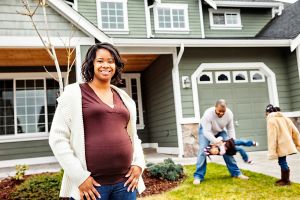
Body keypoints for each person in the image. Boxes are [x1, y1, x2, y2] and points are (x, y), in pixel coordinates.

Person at [49, 42, 146, 200]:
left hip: (126, 184)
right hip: (92, 186)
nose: (106, 65)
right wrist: (80, 177)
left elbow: (133, 136)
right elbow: (57, 138)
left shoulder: (124, 97)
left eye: (111, 61)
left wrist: (139, 164)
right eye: (100, 61)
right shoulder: (74, 93)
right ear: (91, 64)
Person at [193, 99, 249, 185]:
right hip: (205, 131)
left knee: (228, 149)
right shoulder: (208, 114)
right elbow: (207, 132)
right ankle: (198, 176)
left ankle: (236, 173)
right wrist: (216, 142)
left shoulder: (229, 114)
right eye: (219, 111)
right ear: (215, 107)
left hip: (219, 130)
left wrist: (231, 142)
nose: (221, 113)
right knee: (202, 151)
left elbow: (230, 129)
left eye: (223, 111)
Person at [265, 104, 300, 186]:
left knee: (282, 162)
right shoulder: (286, 119)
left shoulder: (271, 121)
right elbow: (296, 132)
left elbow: (272, 138)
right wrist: (298, 144)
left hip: (280, 145)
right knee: (282, 161)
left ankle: (286, 181)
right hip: (287, 145)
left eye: (266, 113)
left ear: (268, 113)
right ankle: (284, 179)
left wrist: (272, 152)